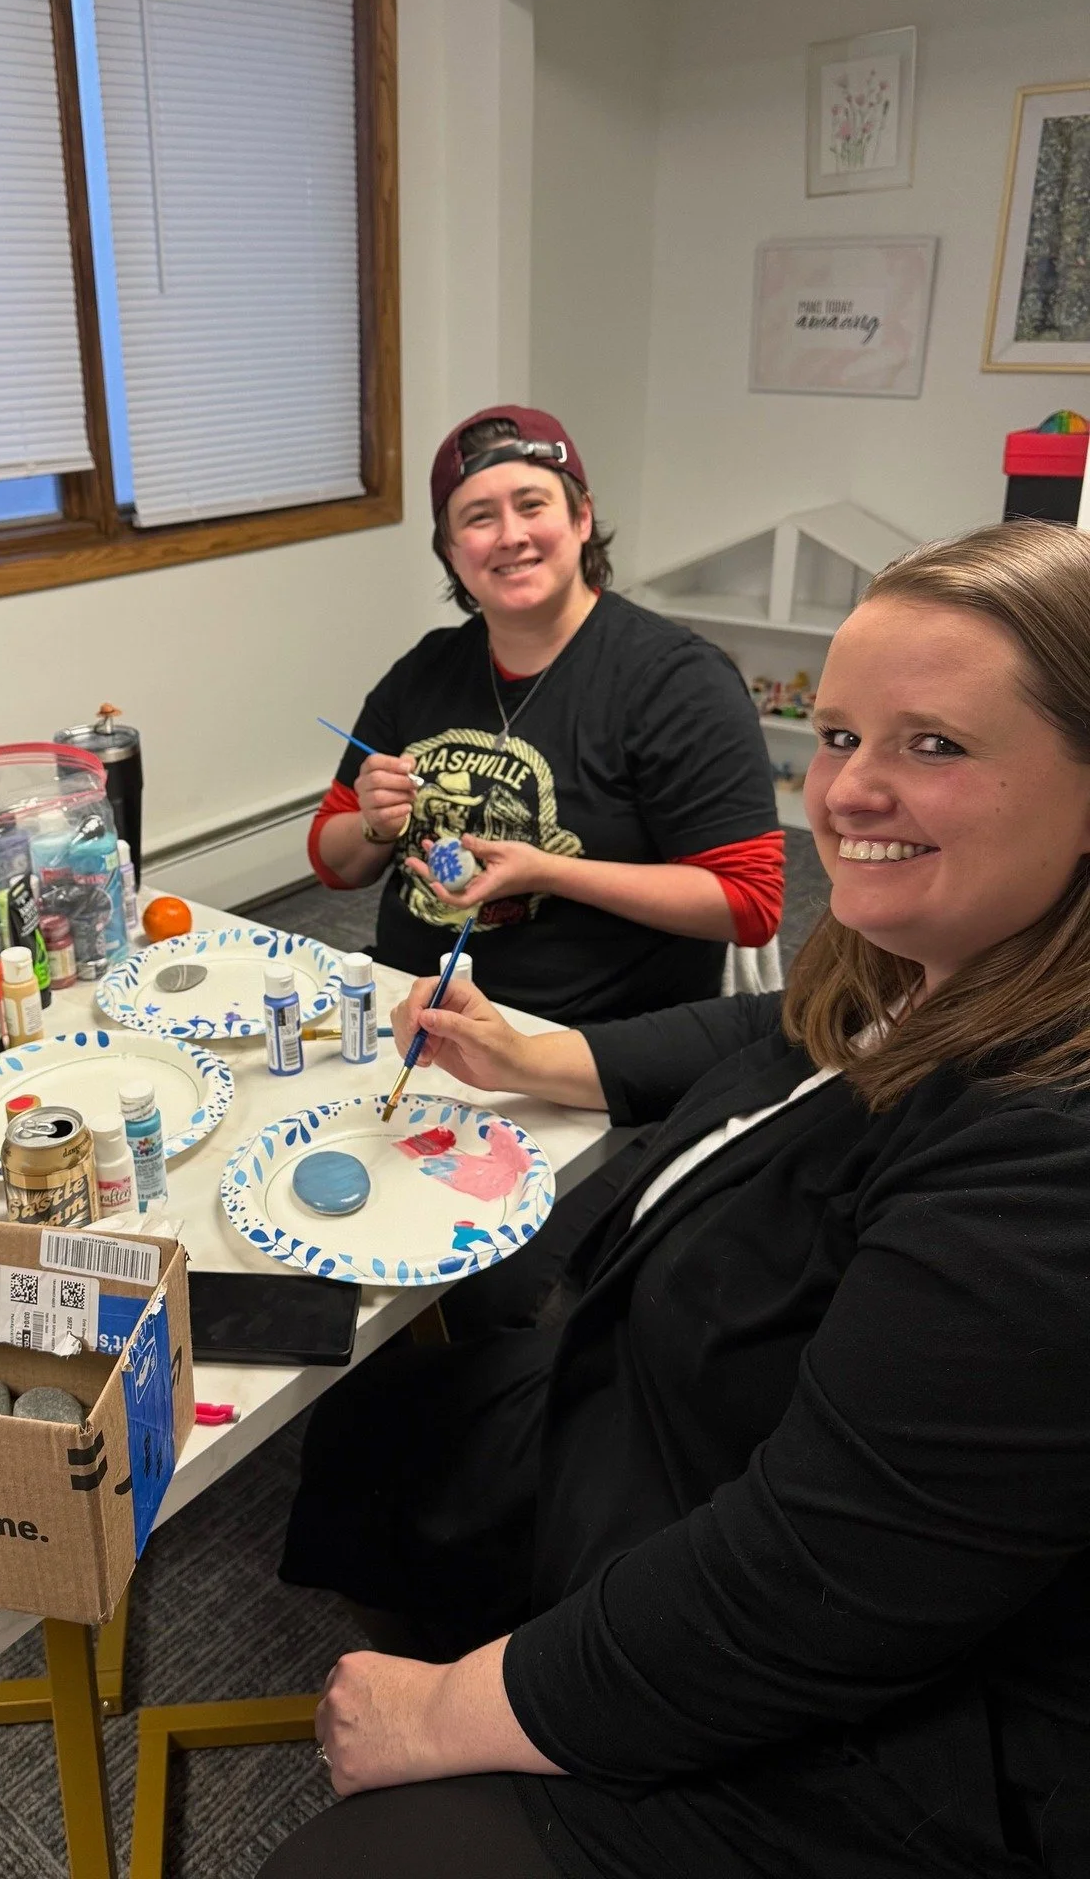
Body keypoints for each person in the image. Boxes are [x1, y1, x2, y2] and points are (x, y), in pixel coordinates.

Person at [269, 522, 1090, 1878]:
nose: (850, 796)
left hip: (889, 1726)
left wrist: (444, 1714)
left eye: (934, 745)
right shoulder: (923, 955)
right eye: (834, 739)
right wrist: (540, 1053)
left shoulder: (1048, 1157)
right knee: (373, 1423)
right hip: (667, 1407)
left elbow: (813, 1587)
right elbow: (790, 1036)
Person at [308, 407, 783, 1025]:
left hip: (576, 1038)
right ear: (452, 553)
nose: (510, 536)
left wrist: (550, 873)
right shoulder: (426, 670)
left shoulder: (677, 681)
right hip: (413, 1008)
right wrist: (373, 824)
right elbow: (331, 863)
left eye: (532, 505)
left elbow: (749, 902)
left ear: (582, 518)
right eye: (478, 518)